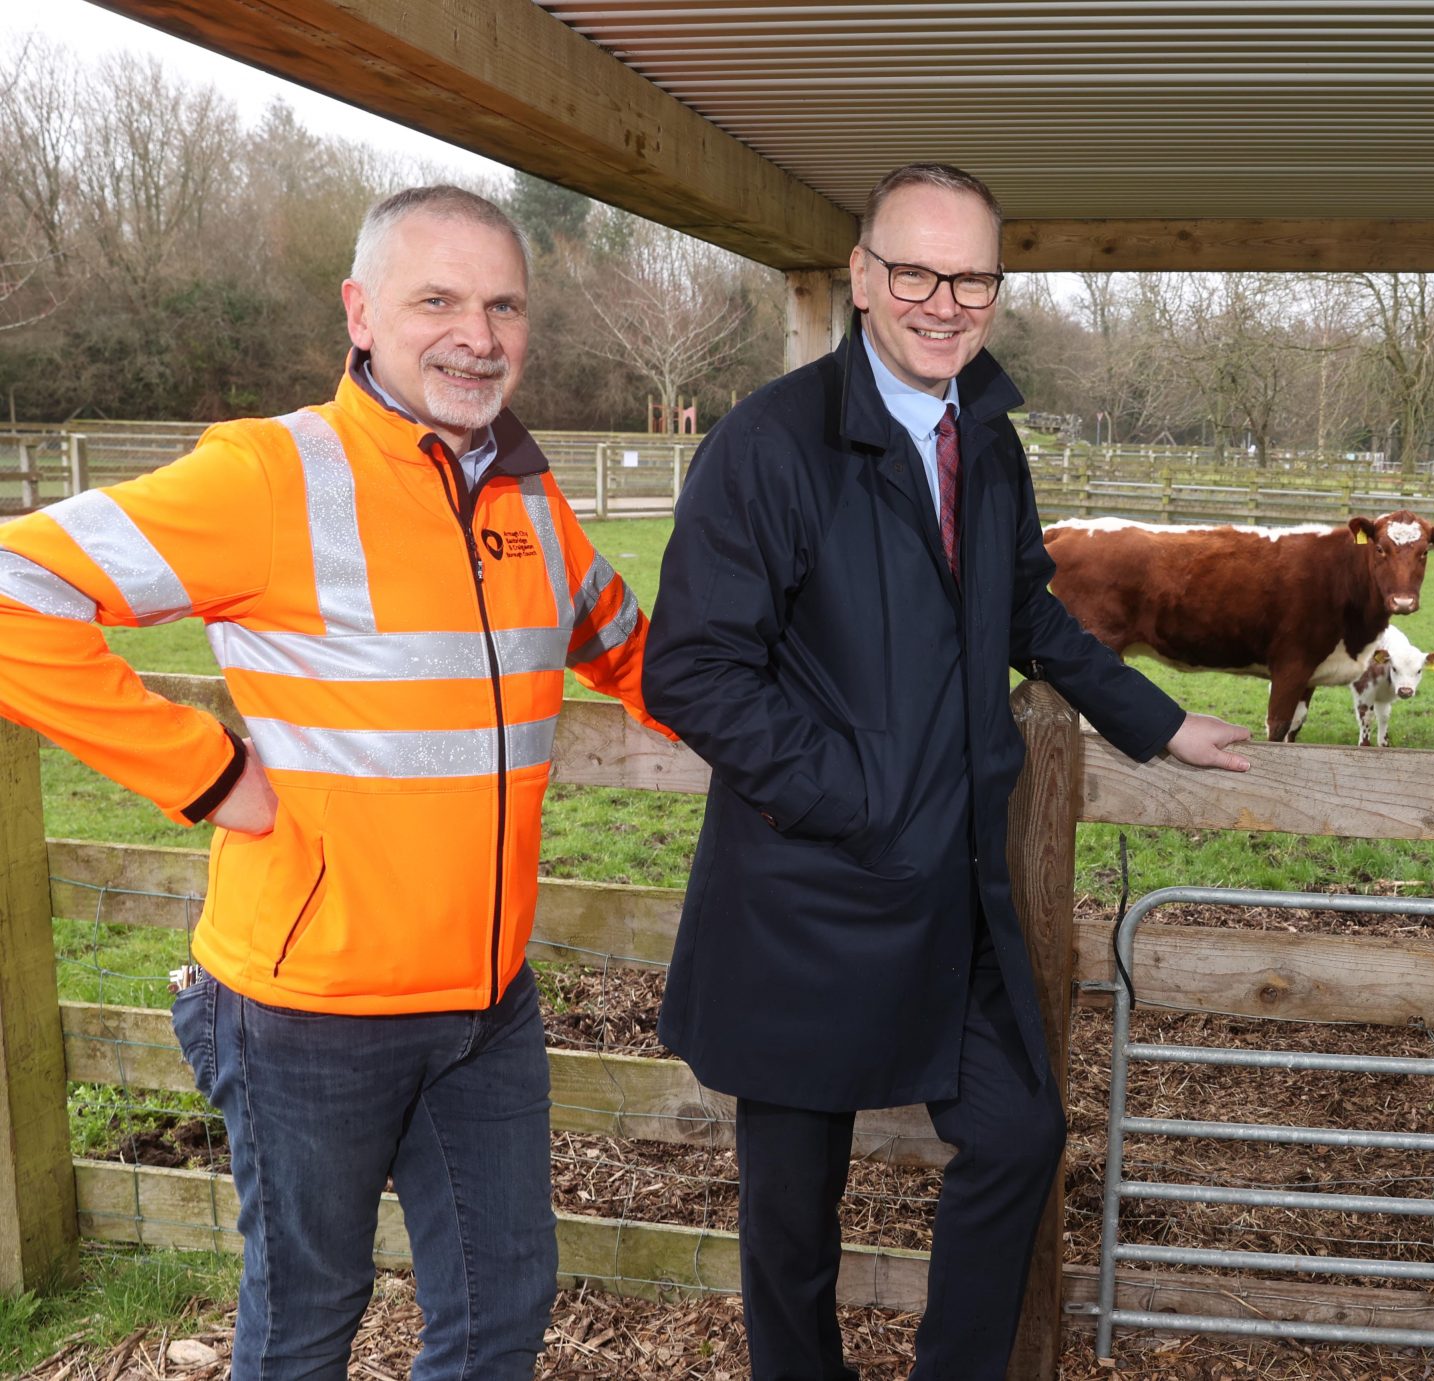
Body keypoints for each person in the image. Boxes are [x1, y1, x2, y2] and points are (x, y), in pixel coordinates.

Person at [0, 185, 671, 1379]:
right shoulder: (272, 474)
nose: (479, 332)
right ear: (360, 312)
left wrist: (811, 741)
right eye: (439, 299)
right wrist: (207, 775)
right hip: (308, 1009)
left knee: (501, 1309)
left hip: (485, 1001)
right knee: (309, 1317)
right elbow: (15, 590)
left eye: (504, 304)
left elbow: (635, 651)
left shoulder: (523, 490)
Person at [643, 162, 1251, 1379]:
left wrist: (1154, 718)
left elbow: (1023, 604)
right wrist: (854, 796)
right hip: (806, 893)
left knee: (1022, 1135)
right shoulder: (771, 445)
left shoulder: (988, 438)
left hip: (950, 894)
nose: (942, 300)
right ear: (864, 278)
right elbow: (694, 670)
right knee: (790, 1229)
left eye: (970, 275)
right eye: (914, 269)